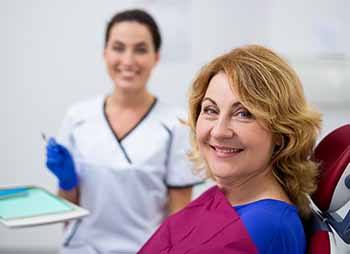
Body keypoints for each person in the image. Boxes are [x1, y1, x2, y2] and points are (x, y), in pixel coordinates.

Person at [138, 45, 322, 254]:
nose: (218, 131)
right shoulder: (226, 197)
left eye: (243, 114)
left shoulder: (266, 227)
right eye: (210, 110)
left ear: (281, 132)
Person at [45, 9, 202, 254]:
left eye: (140, 49)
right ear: (105, 53)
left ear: (156, 57)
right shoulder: (78, 117)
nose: (128, 61)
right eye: (118, 48)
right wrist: (67, 181)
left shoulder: (176, 123)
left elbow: (179, 213)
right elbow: (66, 213)